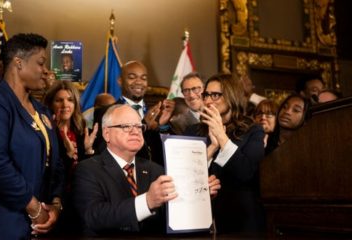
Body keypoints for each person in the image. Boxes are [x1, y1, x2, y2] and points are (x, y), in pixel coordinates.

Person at [0, 33, 64, 239]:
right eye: (41, 63)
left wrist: (55, 205)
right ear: (18, 63)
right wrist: (34, 207)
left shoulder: (42, 111)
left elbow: (56, 164)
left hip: (39, 225)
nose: (46, 70)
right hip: (1, 225)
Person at [73, 104, 220, 236]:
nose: (135, 132)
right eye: (126, 126)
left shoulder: (156, 170)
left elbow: (174, 218)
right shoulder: (87, 169)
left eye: (138, 127)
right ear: (106, 134)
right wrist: (147, 201)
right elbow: (94, 216)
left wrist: (199, 196)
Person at [184, 73, 266, 233]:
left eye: (215, 95)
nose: (207, 101)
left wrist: (221, 137)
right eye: (206, 95)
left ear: (231, 96)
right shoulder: (193, 131)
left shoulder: (252, 130)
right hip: (198, 216)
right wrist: (212, 148)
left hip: (240, 218)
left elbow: (247, 173)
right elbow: (184, 176)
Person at [43, 80, 98, 234]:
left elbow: (86, 173)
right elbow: (50, 173)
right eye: (59, 100)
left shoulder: (82, 131)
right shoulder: (46, 132)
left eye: (70, 100)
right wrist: (67, 155)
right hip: (54, 202)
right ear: (51, 104)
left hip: (79, 202)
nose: (65, 104)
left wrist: (88, 151)